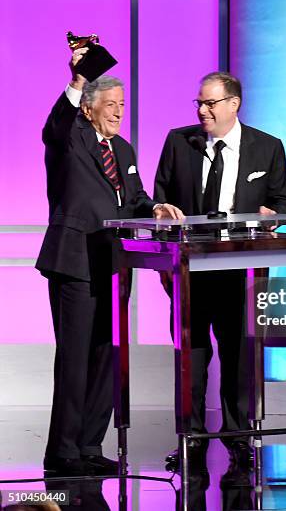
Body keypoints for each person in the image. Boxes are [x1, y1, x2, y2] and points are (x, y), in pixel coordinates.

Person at [36, 47, 173, 477]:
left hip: (114, 266)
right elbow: (55, 124)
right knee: (75, 357)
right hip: (75, 262)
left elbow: (133, 200)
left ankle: (91, 444)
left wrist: (154, 210)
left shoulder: (125, 150)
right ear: (90, 109)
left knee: (106, 356)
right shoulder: (70, 136)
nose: (117, 112)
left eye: (122, 106)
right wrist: (78, 80)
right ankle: (63, 451)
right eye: (109, 105)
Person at [154, 71, 286, 469]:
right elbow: (160, 197)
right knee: (191, 357)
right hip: (190, 269)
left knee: (238, 354)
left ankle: (239, 436)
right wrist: (162, 227)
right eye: (198, 103)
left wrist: (273, 215)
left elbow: (284, 201)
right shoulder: (179, 141)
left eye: (210, 103)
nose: (202, 110)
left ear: (234, 104)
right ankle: (190, 438)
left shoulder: (267, 147)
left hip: (241, 271)